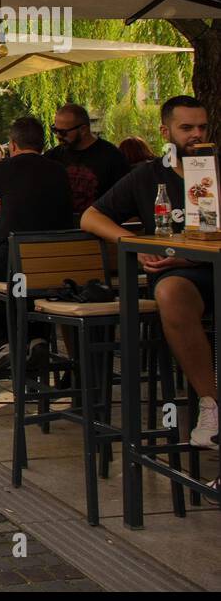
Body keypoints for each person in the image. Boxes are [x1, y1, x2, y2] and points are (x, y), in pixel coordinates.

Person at [82, 96, 217, 450]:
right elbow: (91, 217)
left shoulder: (216, 170)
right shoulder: (147, 176)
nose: (196, 134)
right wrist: (134, 244)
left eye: (201, 127)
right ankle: (211, 406)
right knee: (171, 293)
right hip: (182, 277)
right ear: (166, 131)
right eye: (186, 128)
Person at [0, 117, 74, 372]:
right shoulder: (59, 169)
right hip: (60, 259)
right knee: (27, 288)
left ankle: (0, 345)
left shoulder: (2, 170)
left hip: (18, 254)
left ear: (12, 145)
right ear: (42, 143)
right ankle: (36, 340)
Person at [45, 102, 130, 215]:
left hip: (99, 226)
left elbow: (124, 199)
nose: (58, 136)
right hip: (63, 228)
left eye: (63, 132)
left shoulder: (112, 156)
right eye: (55, 130)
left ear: (83, 130)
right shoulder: (53, 156)